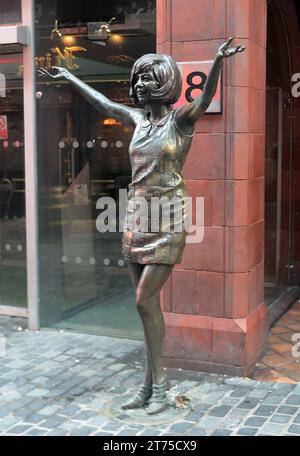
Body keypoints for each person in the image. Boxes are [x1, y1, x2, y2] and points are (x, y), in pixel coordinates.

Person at [38, 37, 245, 415]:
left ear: (163, 83)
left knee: (143, 299)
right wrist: (69, 75)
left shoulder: (180, 122)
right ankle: (149, 387)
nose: (138, 87)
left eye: (147, 79)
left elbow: (203, 99)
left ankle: (162, 388)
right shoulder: (137, 120)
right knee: (147, 307)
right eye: (137, 80)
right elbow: (104, 103)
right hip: (136, 215)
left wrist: (217, 62)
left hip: (168, 216)